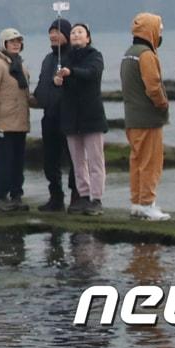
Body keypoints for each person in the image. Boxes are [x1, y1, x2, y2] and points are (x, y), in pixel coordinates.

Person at [121, 13, 172, 221]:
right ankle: (148, 203)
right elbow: (153, 85)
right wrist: (163, 103)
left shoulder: (128, 54)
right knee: (151, 163)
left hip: (132, 117)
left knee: (136, 161)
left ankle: (136, 202)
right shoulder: (146, 55)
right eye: (159, 30)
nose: (160, 34)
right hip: (148, 118)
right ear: (150, 30)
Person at [56, 23, 108, 216]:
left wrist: (71, 73)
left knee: (95, 160)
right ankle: (83, 196)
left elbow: (91, 73)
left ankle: (97, 198)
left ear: (88, 38)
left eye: (80, 32)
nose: (76, 35)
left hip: (91, 116)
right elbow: (60, 84)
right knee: (77, 161)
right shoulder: (65, 58)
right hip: (71, 117)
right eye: (73, 32)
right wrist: (57, 81)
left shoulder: (95, 56)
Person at [0, 29, 36, 212]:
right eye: (12, 41)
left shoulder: (21, 66)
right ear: (3, 44)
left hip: (20, 123)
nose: (16, 44)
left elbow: (25, 96)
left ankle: (16, 196)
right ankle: (0, 197)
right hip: (2, 124)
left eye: (18, 41)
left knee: (17, 163)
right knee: (2, 163)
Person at [33, 19, 79, 212]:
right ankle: (56, 196)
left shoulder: (74, 57)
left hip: (69, 116)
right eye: (51, 32)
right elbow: (43, 85)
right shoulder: (47, 60)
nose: (53, 35)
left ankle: (77, 196)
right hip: (49, 115)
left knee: (74, 159)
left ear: (67, 35)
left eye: (57, 32)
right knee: (50, 160)